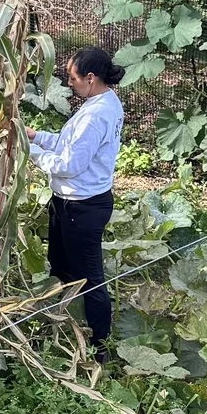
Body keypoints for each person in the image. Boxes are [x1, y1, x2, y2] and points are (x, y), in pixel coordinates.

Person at [27, 46, 125, 345]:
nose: (69, 83)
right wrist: (37, 137)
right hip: (71, 202)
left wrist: (28, 151)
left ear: (91, 78)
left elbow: (70, 164)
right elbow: (71, 144)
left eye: (72, 78)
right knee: (61, 263)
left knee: (89, 277)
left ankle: (98, 342)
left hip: (81, 207)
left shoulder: (96, 115)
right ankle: (69, 323)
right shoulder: (101, 102)